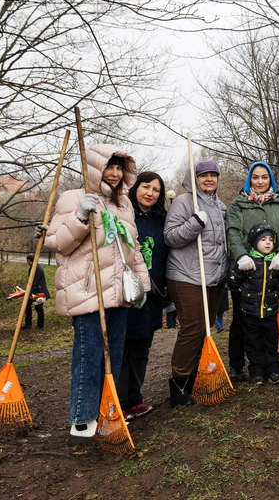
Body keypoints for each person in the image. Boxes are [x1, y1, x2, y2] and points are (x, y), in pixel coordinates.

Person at [45, 145, 150, 443]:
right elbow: (55, 242)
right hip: (88, 292)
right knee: (89, 357)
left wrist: (142, 283)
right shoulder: (74, 198)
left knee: (113, 357)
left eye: (120, 168)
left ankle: (106, 410)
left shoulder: (124, 205)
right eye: (109, 167)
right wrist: (79, 218)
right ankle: (81, 419)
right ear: (95, 168)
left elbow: (134, 248)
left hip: (118, 294)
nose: (115, 174)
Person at [164, 161, 230, 406]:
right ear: (194, 179)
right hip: (186, 275)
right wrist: (195, 223)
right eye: (203, 176)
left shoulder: (221, 206)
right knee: (192, 328)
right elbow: (170, 237)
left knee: (206, 329)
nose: (209, 179)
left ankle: (194, 376)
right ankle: (179, 383)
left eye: (213, 175)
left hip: (214, 277)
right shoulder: (184, 202)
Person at [226, 161, 279, 383]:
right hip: (246, 270)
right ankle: (238, 366)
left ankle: (270, 366)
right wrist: (241, 256)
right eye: (255, 177)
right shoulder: (239, 204)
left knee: (267, 323)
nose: (260, 181)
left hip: (271, 269)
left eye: (265, 177)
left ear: (271, 180)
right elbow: (234, 231)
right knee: (241, 320)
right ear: (249, 180)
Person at [117, 171, 169, 418]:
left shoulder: (162, 219)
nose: (150, 193)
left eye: (156, 190)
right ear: (135, 188)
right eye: (145, 187)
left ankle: (135, 398)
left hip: (153, 293)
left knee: (142, 345)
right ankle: (119, 401)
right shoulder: (125, 214)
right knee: (124, 344)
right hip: (128, 289)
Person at [228, 224, 279, 385]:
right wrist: (244, 296)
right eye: (263, 240)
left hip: (270, 312)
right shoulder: (248, 263)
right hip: (250, 314)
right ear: (254, 242)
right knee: (253, 343)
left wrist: (274, 292)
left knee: (271, 342)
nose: (268, 243)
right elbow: (233, 281)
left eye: (271, 240)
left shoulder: (276, 263)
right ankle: (256, 371)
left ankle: (274, 371)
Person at [23, 254, 49, 329]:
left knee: (38, 308)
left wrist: (30, 293)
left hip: (39, 292)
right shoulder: (35, 267)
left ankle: (40, 325)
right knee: (27, 305)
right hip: (35, 290)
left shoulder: (36, 268)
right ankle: (28, 323)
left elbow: (34, 281)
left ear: (28, 260)